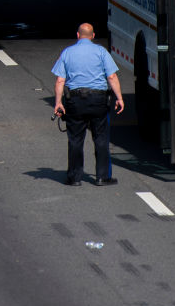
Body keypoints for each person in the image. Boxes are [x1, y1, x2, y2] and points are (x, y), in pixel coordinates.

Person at [51, 23, 125, 186]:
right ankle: (102, 177)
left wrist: (58, 103)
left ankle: (75, 178)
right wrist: (119, 98)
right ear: (93, 36)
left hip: (75, 101)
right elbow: (111, 77)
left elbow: (60, 80)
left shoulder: (67, 52)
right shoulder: (101, 52)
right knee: (101, 138)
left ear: (78, 35)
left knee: (75, 139)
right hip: (98, 101)